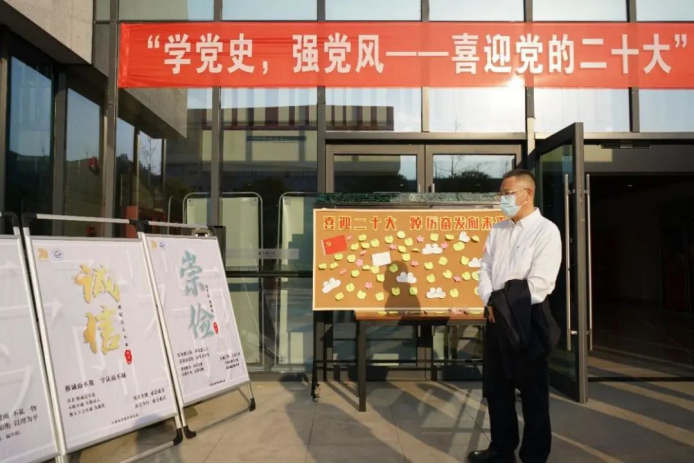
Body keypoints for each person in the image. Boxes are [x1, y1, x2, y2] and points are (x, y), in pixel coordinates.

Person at [469, 169, 562, 464]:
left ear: (527, 194)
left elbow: (541, 283)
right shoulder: (498, 230)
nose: (503, 200)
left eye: (508, 194)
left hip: (528, 319)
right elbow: (485, 268)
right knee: (497, 388)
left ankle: (534, 455)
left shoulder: (546, 231)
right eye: (501, 195)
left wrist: (502, 303)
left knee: (533, 393)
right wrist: (490, 300)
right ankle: (501, 448)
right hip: (495, 317)